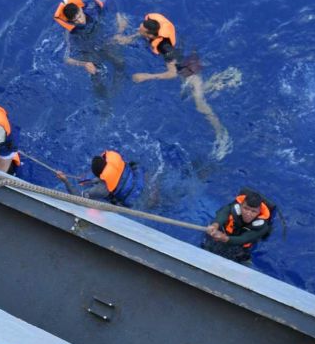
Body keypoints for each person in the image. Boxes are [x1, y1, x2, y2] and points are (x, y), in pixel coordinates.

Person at [128, 13, 231, 159]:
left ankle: (222, 135)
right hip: (185, 55)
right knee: (192, 90)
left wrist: (146, 76)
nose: (140, 27)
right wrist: (127, 38)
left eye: (142, 30)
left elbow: (172, 74)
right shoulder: (153, 22)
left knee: (199, 103)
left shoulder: (165, 47)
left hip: (188, 69)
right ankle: (222, 80)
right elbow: (141, 32)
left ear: (152, 35)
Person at [202, 189, 274, 263]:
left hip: (240, 247)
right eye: (246, 208)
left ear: (259, 212)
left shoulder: (262, 226)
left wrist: (224, 238)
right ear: (240, 205)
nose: (248, 214)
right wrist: (214, 225)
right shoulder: (231, 207)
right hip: (224, 236)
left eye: (253, 211)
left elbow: (244, 239)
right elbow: (222, 214)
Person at [55, 150, 144, 207]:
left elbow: (78, 198)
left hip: (132, 199)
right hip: (139, 178)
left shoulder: (102, 189)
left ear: (99, 175)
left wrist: (65, 180)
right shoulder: (115, 160)